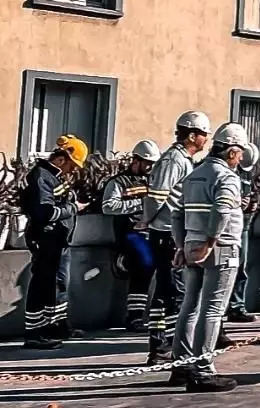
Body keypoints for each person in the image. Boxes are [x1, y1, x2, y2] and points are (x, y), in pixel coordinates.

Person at [169, 123, 249, 393]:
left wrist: (181, 246)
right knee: (212, 310)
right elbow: (222, 210)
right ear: (232, 152)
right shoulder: (226, 176)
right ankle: (203, 370)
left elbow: (176, 212)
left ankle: (181, 365)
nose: (241, 159)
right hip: (220, 248)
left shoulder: (194, 174)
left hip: (191, 244)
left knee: (189, 305)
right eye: (240, 154)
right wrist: (211, 242)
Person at [144, 111, 211, 363]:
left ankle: (163, 345)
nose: (206, 139)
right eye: (203, 134)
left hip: (172, 233)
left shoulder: (183, 160)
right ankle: (166, 346)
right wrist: (147, 219)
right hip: (166, 234)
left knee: (168, 292)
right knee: (173, 292)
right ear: (192, 135)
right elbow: (158, 195)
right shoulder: (174, 160)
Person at [21, 134, 88, 349]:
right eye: (72, 165)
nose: (73, 170)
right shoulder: (42, 176)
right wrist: (72, 209)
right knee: (42, 284)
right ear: (62, 158)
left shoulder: (54, 176)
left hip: (57, 239)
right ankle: (34, 333)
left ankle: (54, 327)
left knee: (56, 284)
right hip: (45, 238)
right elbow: (44, 211)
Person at [102, 139, 159, 331]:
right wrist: (140, 204)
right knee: (144, 265)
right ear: (136, 161)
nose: (150, 167)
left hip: (152, 232)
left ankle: (141, 315)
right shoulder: (117, 182)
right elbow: (109, 207)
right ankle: (134, 317)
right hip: (130, 233)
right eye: (147, 163)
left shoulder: (152, 182)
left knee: (149, 271)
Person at [225, 143, 260, 324]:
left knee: (241, 268)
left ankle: (237, 307)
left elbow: (255, 195)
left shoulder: (248, 173)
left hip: (244, 226)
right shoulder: (228, 172)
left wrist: (253, 204)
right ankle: (224, 308)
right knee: (226, 268)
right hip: (228, 229)